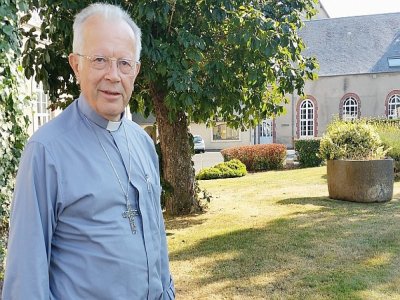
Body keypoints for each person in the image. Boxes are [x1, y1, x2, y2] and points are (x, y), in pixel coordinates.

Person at [2, 3, 175, 299]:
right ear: (75, 64)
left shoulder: (143, 143)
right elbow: (26, 278)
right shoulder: (46, 151)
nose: (113, 75)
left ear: (136, 71)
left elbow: (157, 239)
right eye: (99, 60)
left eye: (124, 63)